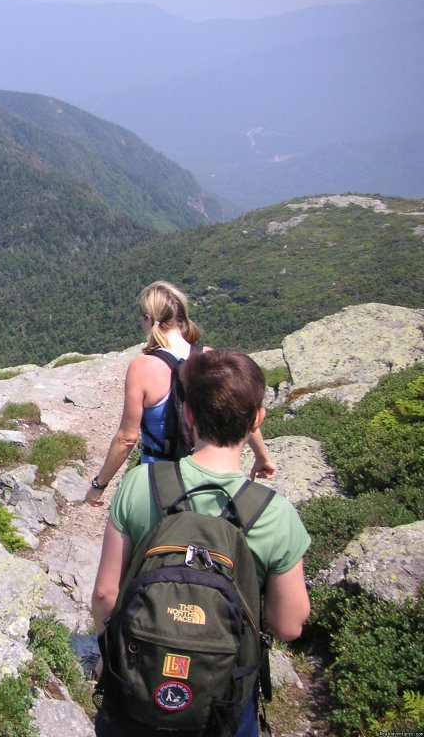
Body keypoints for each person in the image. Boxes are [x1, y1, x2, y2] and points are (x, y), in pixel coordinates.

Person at [90, 348, 312, 737]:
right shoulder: (275, 514)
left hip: (137, 686)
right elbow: (289, 625)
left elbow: (107, 594)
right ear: (257, 419)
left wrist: (107, 655)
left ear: (188, 414)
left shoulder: (141, 485)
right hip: (224, 698)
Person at [85, 281, 275, 506]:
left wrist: (99, 485)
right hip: (204, 480)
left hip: (156, 479)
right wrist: (262, 457)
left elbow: (127, 438)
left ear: (148, 318)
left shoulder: (143, 367)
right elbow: (239, 412)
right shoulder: (210, 358)